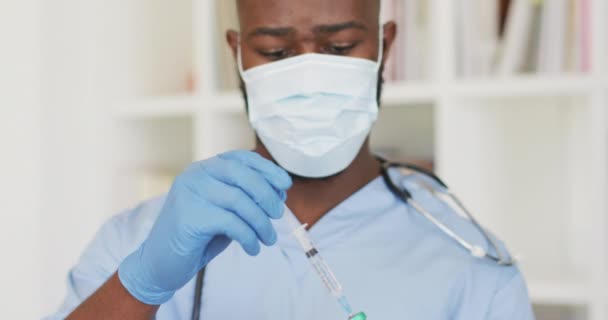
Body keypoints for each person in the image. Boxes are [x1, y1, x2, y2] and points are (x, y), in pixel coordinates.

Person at [48, 0, 535, 319]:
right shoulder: (139, 241)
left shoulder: (470, 264)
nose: (306, 74)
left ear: (385, 46)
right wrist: (142, 284)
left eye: (339, 47)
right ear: (238, 54)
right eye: (275, 52)